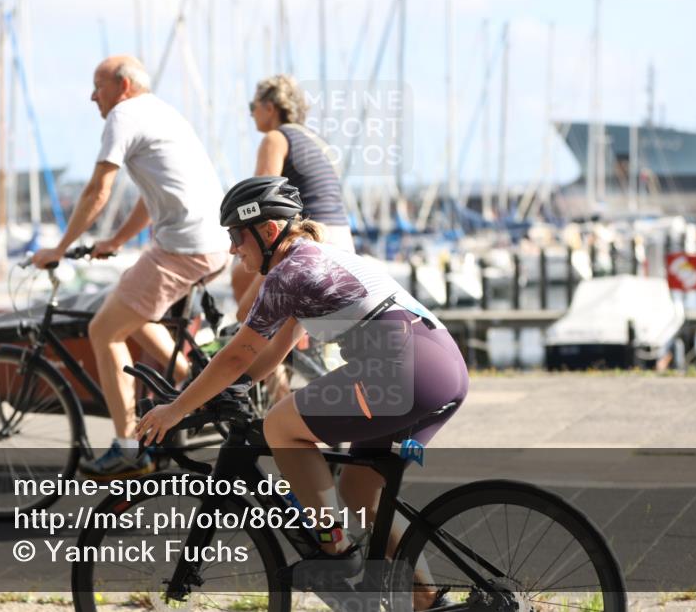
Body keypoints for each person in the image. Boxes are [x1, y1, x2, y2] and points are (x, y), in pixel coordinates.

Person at [136, 176, 468, 609]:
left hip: (403, 371)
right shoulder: (318, 259)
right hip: (440, 367)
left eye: (237, 235)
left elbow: (238, 355)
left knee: (281, 425)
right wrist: (222, 389)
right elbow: (266, 357)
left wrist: (176, 409)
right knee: (359, 493)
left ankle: (334, 552)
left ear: (268, 231)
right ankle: (428, 599)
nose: (234, 248)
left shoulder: (291, 272)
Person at [32, 55, 230, 479]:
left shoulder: (124, 114)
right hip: (207, 242)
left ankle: (128, 448)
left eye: (97, 86)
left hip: (184, 246)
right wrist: (116, 241)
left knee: (103, 329)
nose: (92, 96)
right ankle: (193, 380)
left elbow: (97, 189)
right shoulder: (163, 113)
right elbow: (151, 195)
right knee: (130, 304)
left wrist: (59, 248)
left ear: (122, 85)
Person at [231, 74, 354, 323]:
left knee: (247, 310)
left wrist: (235, 242)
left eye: (252, 107)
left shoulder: (276, 138)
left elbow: (259, 202)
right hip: (342, 242)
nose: (251, 113)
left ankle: (267, 358)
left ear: (269, 107)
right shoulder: (317, 140)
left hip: (312, 240)